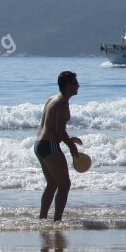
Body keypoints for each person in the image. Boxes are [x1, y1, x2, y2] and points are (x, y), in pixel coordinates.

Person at [34, 71, 82, 221]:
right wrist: (71, 147)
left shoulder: (52, 99)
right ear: (68, 86)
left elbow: (51, 127)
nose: (78, 85)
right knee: (65, 184)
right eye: (75, 83)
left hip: (39, 144)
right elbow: (58, 131)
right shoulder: (62, 103)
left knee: (53, 183)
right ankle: (57, 221)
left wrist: (69, 139)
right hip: (50, 145)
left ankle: (42, 219)